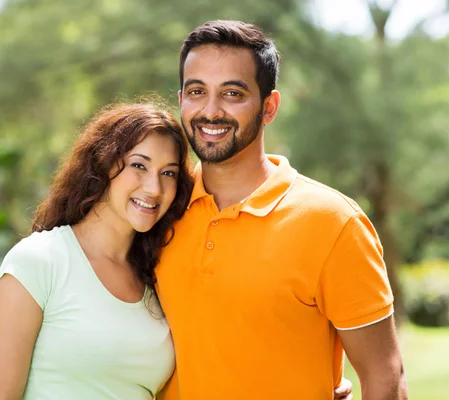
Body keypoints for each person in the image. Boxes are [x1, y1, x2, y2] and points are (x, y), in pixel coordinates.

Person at [155, 20, 408, 400]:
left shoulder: (333, 223)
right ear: (181, 101)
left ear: (269, 106)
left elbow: (384, 377)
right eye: (196, 91)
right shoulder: (159, 208)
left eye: (233, 93)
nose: (210, 111)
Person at [0, 101, 194, 399]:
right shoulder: (38, 262)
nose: (154, 188)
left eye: (168, 173)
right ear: (104, 164)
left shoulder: (155, 278)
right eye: (139, 166)